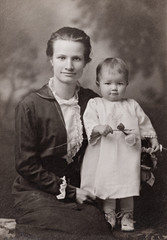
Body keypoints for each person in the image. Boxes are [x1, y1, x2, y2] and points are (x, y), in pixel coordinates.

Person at [12, 27, 112, 238]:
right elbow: (26, 166)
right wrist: (70, 192)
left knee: (96, 225)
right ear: (51, 59)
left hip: (80, 191)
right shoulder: (30, 106)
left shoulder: (91, 102)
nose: (69, 65)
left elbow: (107, 144)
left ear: (86, 62)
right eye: (62, 57)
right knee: (75, 229)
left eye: (76, 58)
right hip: (36, 192)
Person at [81, 57, 160, 231]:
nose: (114, 88)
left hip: (127, 155)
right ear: (98, 83)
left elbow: (144, 123)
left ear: (127, 84)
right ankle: (109, 214)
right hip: (105, 154)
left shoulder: (132, 105)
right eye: (108, 83)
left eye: (120, 83)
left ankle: (127, 215)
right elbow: (89, 123)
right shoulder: (95, 104)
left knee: (127, 182)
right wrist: (98, 127)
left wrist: (152, 138)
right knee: (109, 182)